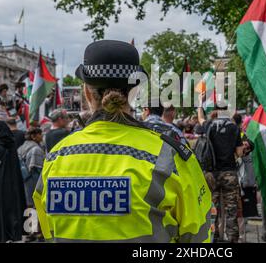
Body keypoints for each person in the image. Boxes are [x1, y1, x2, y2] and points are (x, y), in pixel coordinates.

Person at [33, 40, 211, 242]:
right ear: (135, 93)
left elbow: (48, 231)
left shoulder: (55, 158)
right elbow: (199, 236)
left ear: (87, 92)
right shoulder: (170, 157)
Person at [197, 96, 244, 243]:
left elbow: (200, 119)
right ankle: (232, 239)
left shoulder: (209, 125)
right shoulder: (234, 127)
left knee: (212, 209)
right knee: (231, 209)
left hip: (212, 173)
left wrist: (200, 103)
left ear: (216, 110)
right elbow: (239, 152)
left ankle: (214, 237)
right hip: (229, 173)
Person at [18, 127, 45, 208]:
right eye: (40, 134)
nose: (41, 136)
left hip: (23, 178)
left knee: (27, 203)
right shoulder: (36, 149)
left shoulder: (21, 147)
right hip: (33, 179)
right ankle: (34, 220)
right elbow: (37, 168)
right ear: (34, 136)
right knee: (34, 203)